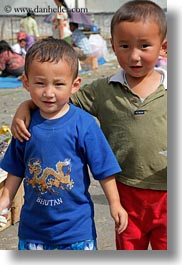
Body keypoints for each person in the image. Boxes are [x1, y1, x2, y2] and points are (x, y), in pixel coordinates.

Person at [10, 0, 167, 250]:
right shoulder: (103, 90)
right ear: (113, 47)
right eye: (124, 46)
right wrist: (25, 107)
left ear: (164, 48)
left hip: (168, 190)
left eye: (145, 46)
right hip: (125, 188)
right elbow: (56, 100)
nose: (134, 55)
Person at [0, 38, 128, 250]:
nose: (49, 93)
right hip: (33, 231)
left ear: (75, 85)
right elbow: (16, 167)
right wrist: (5, 199)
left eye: (59, 84)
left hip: (76, 232)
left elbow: (104, 169)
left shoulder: (84, 124)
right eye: (40, 83)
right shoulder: (25, 124)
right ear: (26, 82)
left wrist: (115, 203)